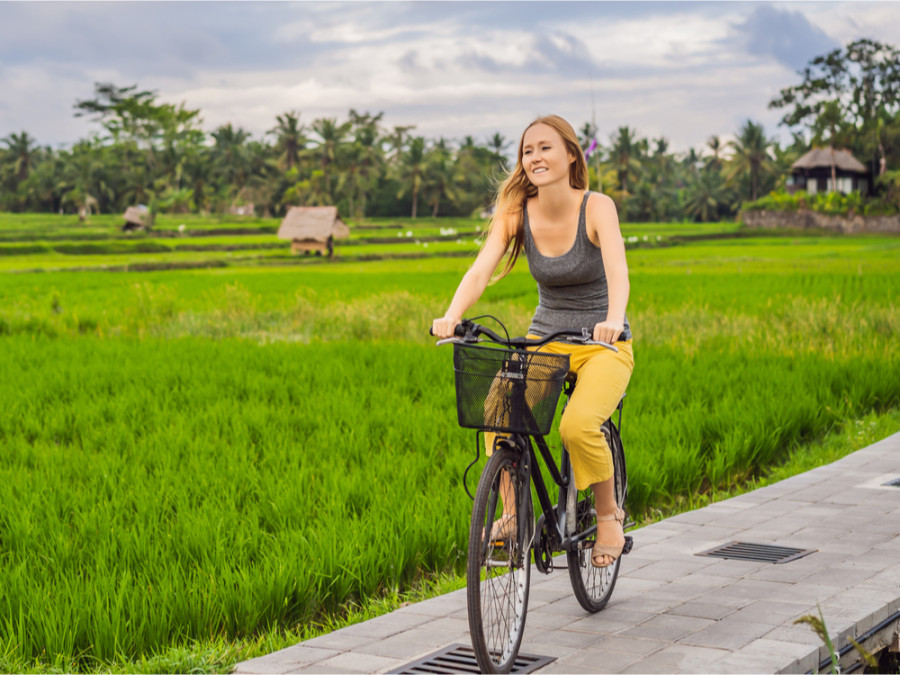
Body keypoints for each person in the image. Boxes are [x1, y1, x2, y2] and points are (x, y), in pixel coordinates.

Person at [432, 115, 634, 567]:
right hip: (547, 338)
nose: (535, 157)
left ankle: (607, 517)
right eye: (527, 151)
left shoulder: (597, 206)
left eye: (545, 148)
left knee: (577, 426)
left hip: (604, 342)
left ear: (570, 155)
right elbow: (482, 268)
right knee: (498, 410)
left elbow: (618, 269)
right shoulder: (516, 211)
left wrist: (613, 320)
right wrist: (452, 316)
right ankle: (511, 514)